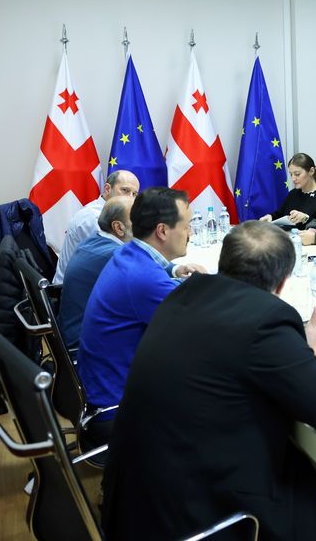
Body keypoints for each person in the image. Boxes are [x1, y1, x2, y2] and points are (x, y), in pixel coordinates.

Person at [101, 221, 316, 540]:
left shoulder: (184, 295)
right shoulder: (266, 320)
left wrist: (297, 343)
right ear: (282, 283)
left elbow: (227, 345)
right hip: (202, 521)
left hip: (134, 506)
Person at [75, 187, 204, 452]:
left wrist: (180, 276)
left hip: (103, 389)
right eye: (187, 226)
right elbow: (206, 330)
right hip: (118, 410)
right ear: (162, 231)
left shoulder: (129, 254)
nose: (190, 233)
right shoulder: (143, 279)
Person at [56, 196, 134, 356]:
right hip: (89, 350)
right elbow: (153, 279)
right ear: (119, 228)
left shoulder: (94, 240)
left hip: (75, 335)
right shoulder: (115, 255)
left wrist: (174, 269)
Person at [53, 169, 140, 283]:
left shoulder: (114, 215)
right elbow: (121, 261)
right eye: (125, 190)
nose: (130, 198)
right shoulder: (93, 217)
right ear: (107, 189)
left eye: (134, 194)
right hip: (69, 288)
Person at [259, 153, 316, 228]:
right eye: (291, 174)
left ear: (311, 171)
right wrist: (270, 217)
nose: (293, 179)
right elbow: (280, 214)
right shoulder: (293, 193)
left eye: (297, 174)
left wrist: (305, 218)